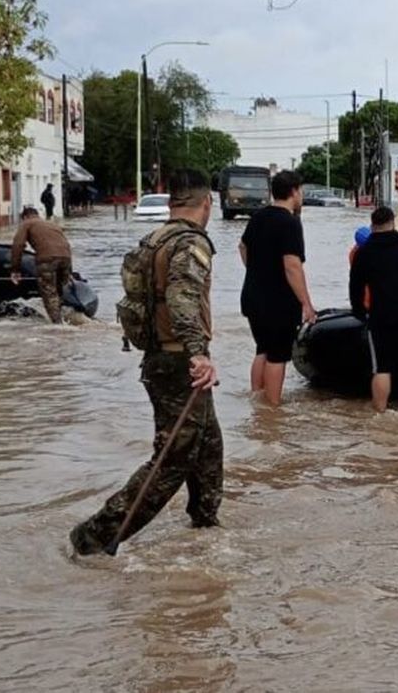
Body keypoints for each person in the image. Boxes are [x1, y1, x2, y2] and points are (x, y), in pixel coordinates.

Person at [70, 169, 222, 556]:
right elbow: (182, 299)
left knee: (207, 444)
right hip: (179, 361)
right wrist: (199, 354)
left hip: (160, 358)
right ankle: (95, 535)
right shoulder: (190, 244)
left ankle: (205, 524)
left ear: (172, 202)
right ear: (207, 203)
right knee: (171, 460)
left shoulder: (154, 239)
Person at [239, 170, 317, 407]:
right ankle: (272, 409)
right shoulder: (290, 223)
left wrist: (256, 270)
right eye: (300, 190)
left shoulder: (258, 217)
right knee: (277, 355)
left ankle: (257, 401)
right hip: (278, 301)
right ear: (294, 192)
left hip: (252, 296)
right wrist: (306, 303)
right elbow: (292, 266)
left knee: (262, 349)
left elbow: (242, 247)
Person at [349, 206, 398, 413]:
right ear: (393, 222)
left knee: (382, 367)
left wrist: (359, 312)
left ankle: (380, 414)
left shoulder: (364, 251)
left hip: (382, 313)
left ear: (372, 224)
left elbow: (355, 287)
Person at [10, 206, 73, 323]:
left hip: (47, 260)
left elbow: (18, 246)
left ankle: (58, 325)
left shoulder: (26, 223)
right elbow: (66, 245)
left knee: (49, 292)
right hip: (66, 258)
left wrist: (15, 269)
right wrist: (70, 271)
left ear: (24, 217)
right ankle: (68, 318)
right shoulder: (52, 224)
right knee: (61, 291)